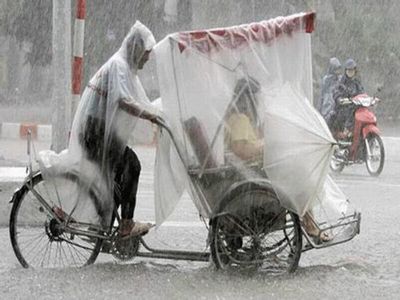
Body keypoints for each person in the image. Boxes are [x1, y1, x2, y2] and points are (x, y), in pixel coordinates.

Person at [71, 21, 159, 239]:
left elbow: (140, 100)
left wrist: (156, 113)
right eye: (146, 55)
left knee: (117, 179)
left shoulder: (124, 68)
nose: (147, 61)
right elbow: (122, 99)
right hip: (95, 133)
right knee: (132, 166)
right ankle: (125, 224)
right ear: (136, 49)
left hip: (97, 132)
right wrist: (149, 115)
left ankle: (102, 226)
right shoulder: (118, 65)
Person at [225, 77, 331, 243]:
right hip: (250, 174)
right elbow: (241, 150)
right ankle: (309, 224)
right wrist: (264, 145)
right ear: (249, 99)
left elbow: (251, 140)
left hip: (253, 170)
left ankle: (308, 221)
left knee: (298, 169)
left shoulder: (241, 119)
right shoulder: (239, 120)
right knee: (300, 175)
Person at [332, 58, 364, 138]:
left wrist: (366, 99)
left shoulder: (357, 81)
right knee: (345, 114)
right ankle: (345, 133)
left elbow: (362, 92)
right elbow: (336, 91)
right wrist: (339, 99)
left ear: (355, 71)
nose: (350, 72)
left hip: (355, 106)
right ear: (345, 71)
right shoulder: (341, 81)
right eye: (348, 70)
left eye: (352, 70)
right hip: (343, 107)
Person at [317, 57, 342, 129]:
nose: (337, 71)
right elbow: (322, 95)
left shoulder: (340, 79)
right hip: (327, 107)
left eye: (338, 69)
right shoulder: (326, 80)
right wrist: (319, 110)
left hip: (336, 106)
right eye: (336, 69)